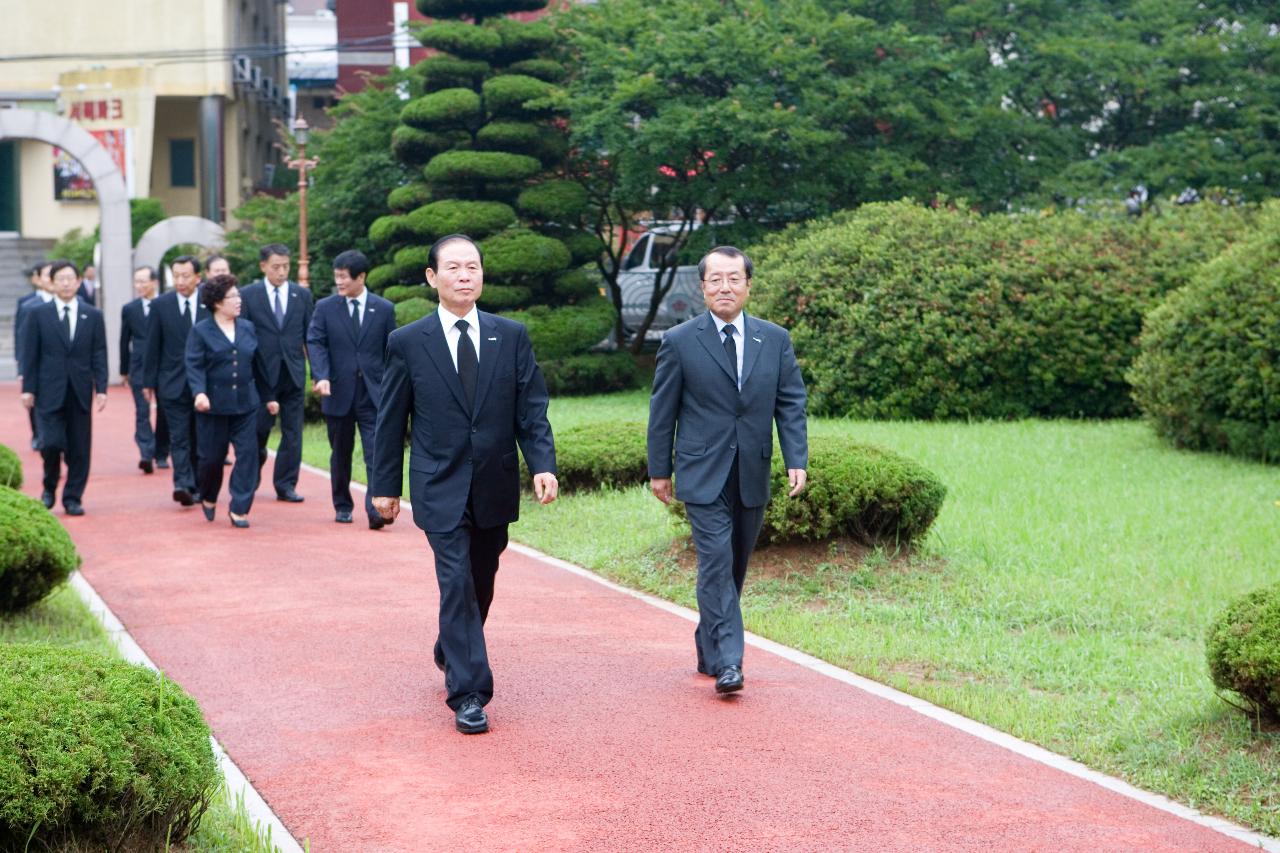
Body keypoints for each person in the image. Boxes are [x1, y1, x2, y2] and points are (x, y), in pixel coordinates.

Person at [370, 234, 558, 735]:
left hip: (493, 482)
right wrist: (384, 487)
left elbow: (530, 407)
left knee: (480, 579)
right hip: (439, 484)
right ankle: (470, 693)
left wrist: (543, 463)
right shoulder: (408, 342)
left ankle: (448, 645)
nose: (465, 275)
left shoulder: (510, 335)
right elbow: (391, 421)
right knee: (455, 581)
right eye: (453, 268)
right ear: (432, 277)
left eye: (472, 267)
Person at [647, 246, 808, 696]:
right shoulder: (679, 341)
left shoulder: (774, 339)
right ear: (702, 288)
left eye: (733, 279)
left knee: (734, 564)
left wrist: (796, 458)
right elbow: (663, 411)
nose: (724, 287)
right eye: (715, 279)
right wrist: (659, 469)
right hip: (701, 472)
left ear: (748, 285)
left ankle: (707, 646)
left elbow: (790, 402)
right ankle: (730, 661)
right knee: (716, 561)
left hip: (751, 469)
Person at [306, 249, 397, 528]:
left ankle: (375, 510)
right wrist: (320, 375)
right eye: (337, 277)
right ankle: (343, 504)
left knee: (375, 453)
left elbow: (391, 351)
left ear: (361, 277)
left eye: (344, 277)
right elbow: (316, 342)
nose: (340, 283)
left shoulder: (383, 309)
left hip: (373, 394)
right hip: (338, 392)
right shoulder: (325, 307)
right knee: (340, 453)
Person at [186, 274, 278, 529]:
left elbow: (258, 366)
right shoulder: (201, 331)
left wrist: (269, 397)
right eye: (233, 297)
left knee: (249, 455)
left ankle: (239, 506)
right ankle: (208, 494)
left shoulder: (247, 328)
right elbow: (194, 365)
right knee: (211, 460)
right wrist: (199, 393)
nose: (239, 300)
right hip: (213, 407)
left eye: (239, 295)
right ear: (217, 302)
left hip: (246, 405)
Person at [19, 260, 108, 515]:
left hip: (80, 390)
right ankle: (49, 487)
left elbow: (99, 353)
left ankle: (73, 497)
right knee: (50, 443)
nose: (66, 283)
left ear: (79, 281)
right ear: (52, 283)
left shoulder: (92, 315)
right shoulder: (38, 314)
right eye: (61, 279)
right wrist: (28, 388)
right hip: (49, 389)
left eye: (71, 278)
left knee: (80, 447)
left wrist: (101, 388)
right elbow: (30, 354)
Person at [240, 243, 313, 503]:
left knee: (293, 433)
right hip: (261, 376)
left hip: (292, 372)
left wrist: (316, 373)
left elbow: (310, 337)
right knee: (258, 430)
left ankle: (285, 484)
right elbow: (243, 336)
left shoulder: (301, 295)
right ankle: (251, 474)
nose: (282, 272)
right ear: (263, 267)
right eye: (276, 267)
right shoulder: (248, 295)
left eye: (286, 266)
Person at [144, 255, 208, 506]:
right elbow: (152, 346)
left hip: (204, 384)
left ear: (198, 278)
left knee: (200, 438)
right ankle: (183, 483)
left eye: (185, 276)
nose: (180, 281)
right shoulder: (161, 305)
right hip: (171, 382)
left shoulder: (210, 303)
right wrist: (148, 383)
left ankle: (201, 484)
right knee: (179, 436)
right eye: (176, 276)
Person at [120, 266, 170, 474]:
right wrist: (124, 369)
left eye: (143, 281)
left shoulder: (166, 305)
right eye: (137, 281)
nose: (139, 286)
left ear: (155, 282)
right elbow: (124, 340)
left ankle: (161, 452)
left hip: (164, 365)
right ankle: (146, 453)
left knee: (165, 411)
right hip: (139, 366)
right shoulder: (130, 309)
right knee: (142, 410)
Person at [14, 264, 51, 451]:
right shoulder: (27, 305)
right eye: (47, 274)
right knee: (34, 401)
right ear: (37, 278)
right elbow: (21, 336)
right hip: (34, 362)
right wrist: (21, 366)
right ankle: (38, 434)